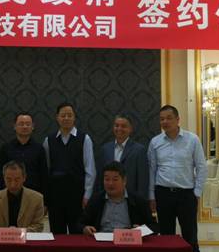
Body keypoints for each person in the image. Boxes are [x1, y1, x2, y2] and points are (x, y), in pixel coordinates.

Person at [148, 105, 207, 252]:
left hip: (186, 194)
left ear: (178, 119)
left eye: (169, 118)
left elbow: (201, 167)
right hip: (163, 193)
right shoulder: (155, 142)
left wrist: (197, 192)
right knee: (166, 236)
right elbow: (152, 170)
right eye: (162, 119)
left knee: (190, 236)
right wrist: (151, 196)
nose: (165, 122)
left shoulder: (192, 139)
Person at [43, 102, 96, 234]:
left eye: (69, 115)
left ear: (74, 117)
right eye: (63, 115)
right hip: (55, 197)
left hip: (77, 196)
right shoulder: (49, 140)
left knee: (77, 235)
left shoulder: (85, 139)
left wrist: (87, 195)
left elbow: (90, 170)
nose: (66, 118)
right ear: (57, 117)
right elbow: (46, 170)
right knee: (57, 236)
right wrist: (46, 198)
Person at [79, 161, 157, 235]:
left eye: (115, 179)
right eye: (107, 179)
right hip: (102, 239)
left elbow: (155, 226)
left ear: (124, 181)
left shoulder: (138, 201)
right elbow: (80, 224)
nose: (110, 183)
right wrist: (85, 228)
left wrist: (142, 230)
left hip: (128, 240)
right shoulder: (96, 200)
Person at [0, 160, 45, 235]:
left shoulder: (37, 199)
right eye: (8, 180)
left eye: (17, 180)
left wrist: (17, 233)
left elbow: (38, 226)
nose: (12, 185)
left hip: (25, 240)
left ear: (24, 178)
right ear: (4, 178)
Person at [96, 115, 148, 200]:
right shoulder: (105, 149)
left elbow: (142, 181)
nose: (119, 128)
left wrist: (141, 202)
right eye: (116, 125)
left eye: (123, 126)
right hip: (107, 198)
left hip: (131, 199)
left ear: (130, 129)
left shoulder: (139, 150)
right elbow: (99, 178)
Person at [0, 113, 48, 198]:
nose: (24, 127)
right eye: (21, 124)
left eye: (28, 124)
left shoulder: (39, 149)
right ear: (14, 126)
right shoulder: (6, 148)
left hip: (34, 195)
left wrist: (44, 198)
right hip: (10, 194)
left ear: (33, 127)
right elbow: (0, 175)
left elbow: (44, 176)